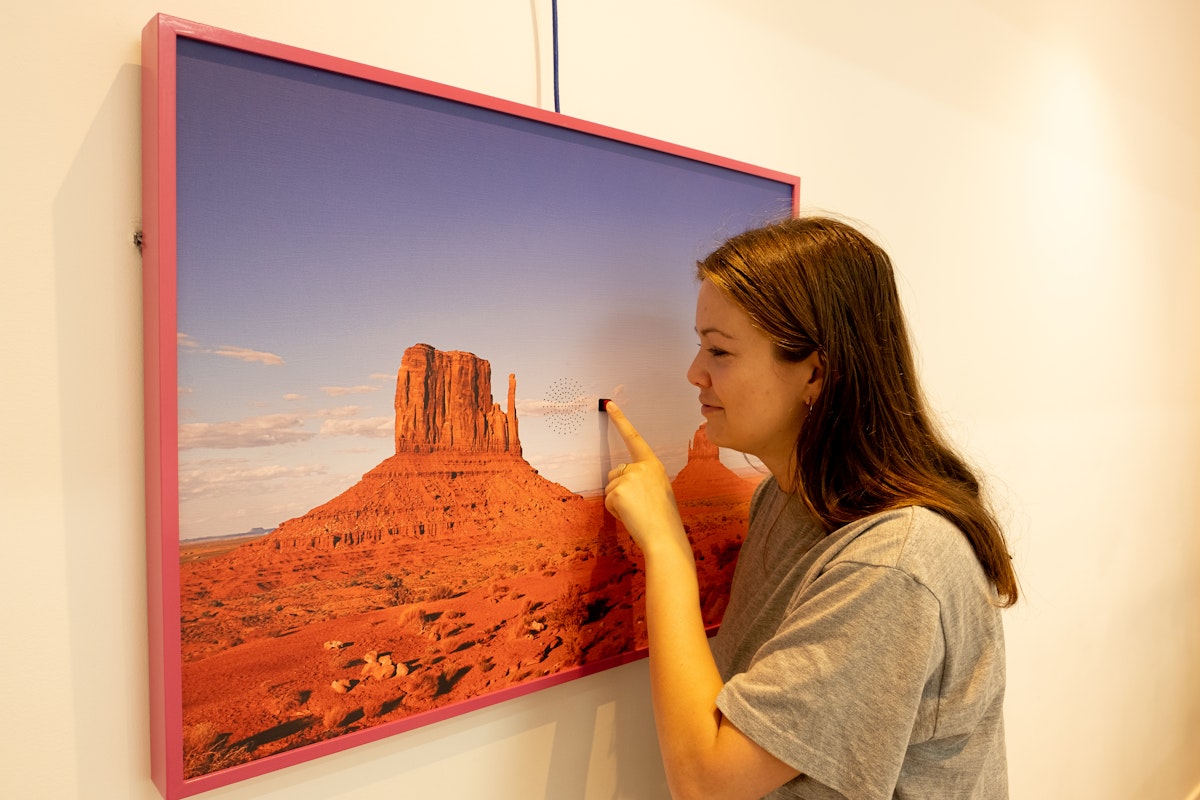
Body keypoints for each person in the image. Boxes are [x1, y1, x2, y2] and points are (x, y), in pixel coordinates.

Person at [603, 215, 1016, 800]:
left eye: (719, 351)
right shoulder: (783, 498)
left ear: (815, 374)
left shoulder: (894, 565)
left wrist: (665, 546)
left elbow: (706, 782)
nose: (695, 374)